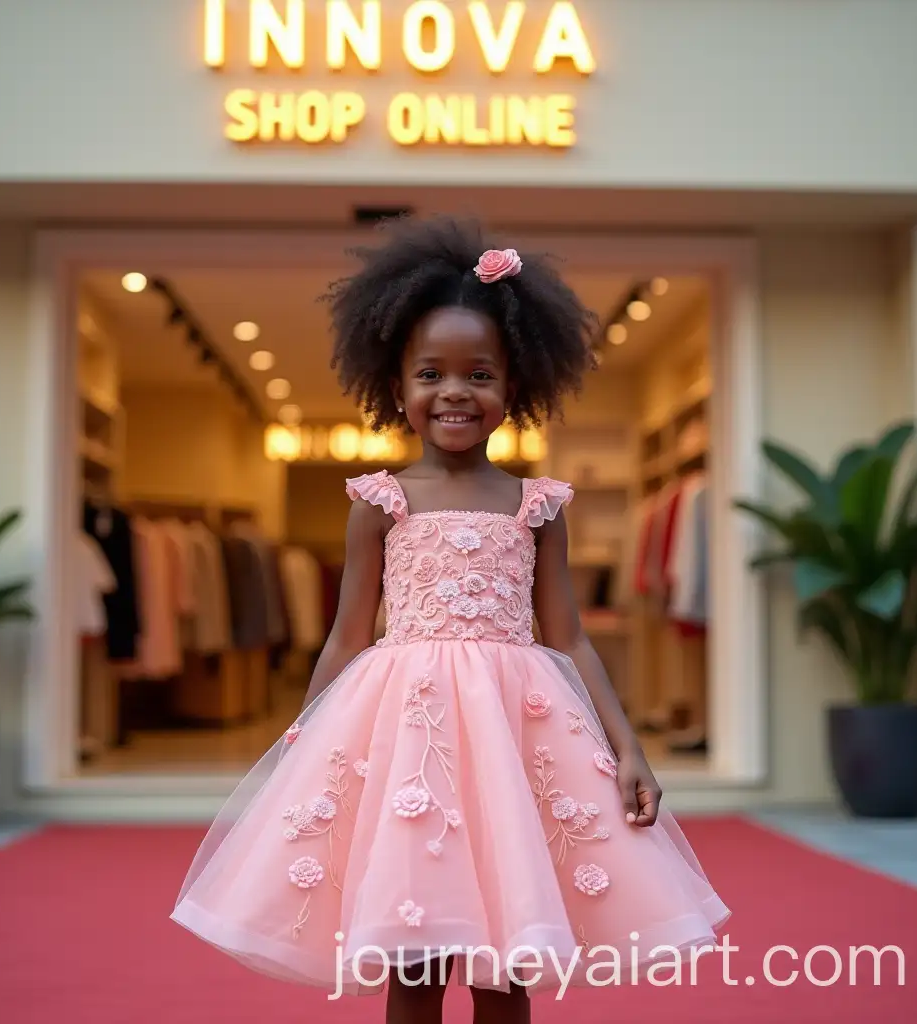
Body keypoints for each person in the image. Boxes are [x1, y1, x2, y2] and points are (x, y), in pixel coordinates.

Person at [170, 216, 730, 1022]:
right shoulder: (379, 501)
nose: (455, 391)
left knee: (509, 961)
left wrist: (626, 743)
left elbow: (567, 634)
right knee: (416, 956)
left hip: (517, 732)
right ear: (396, 388)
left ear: (516, 387)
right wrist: (300, 742)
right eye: (430, 372)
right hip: (408, 740)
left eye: (480, 373)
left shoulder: (538, 506)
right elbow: (347, 635)